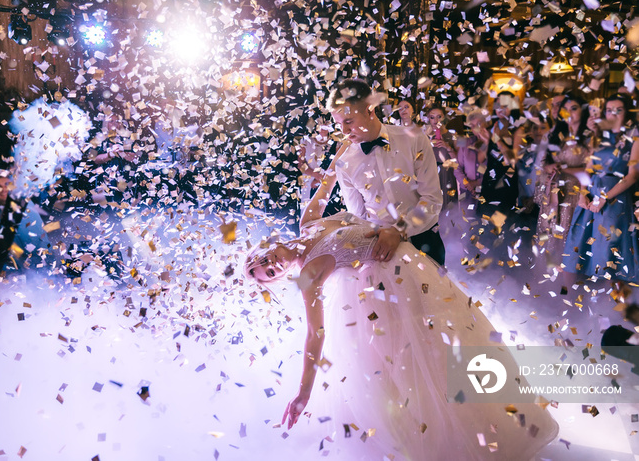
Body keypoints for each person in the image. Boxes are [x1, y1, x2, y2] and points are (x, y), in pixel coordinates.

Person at [244, 204, 559, 460]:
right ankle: (451, 445)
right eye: (269, 271)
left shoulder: (309, 222)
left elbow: (333, 173)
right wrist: (304, 393)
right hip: (387, 295)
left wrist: (343, 141)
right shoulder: (309, 276)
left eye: (262, 259)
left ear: (264, 248)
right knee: (427, 366)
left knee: (460, 343)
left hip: (412, 270)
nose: (270, 263)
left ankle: (501, 426)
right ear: (279, 277)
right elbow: (316, 334)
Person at [324, 78, 445, 265]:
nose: (344, 131)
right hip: (379, 253)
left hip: (425, 242)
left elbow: (432, 199)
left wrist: (399, 230)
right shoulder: (345, 163)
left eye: (348, 121)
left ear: (369, 109)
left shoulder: (414, 139)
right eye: (339, 124)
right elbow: (358, 220)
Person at [563, 93, 639, 284]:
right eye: (609, 110)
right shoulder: (600, 136)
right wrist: (582, 194)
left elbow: (632, 176)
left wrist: (604, 198)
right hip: (591, 194)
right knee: (575, 247)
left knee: (607, 253)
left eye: (618, 110)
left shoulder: (635, 136)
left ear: (626, 113)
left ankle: (606, 307)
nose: (612, 114)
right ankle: (566, 302)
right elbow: (588, 169)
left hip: (615, 199)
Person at [534, 95, 592, 268]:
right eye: (565, 109)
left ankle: (565, 283)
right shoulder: (553, 135)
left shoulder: (588, 137)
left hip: (574, 193)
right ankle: (542, 277)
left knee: (567, 235)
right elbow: (540, 163)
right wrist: (548, 167)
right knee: (547, 232)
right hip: (552, 192)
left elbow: (592, 169)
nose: (568, 113)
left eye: (574, 108)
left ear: (583, 110)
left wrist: (564, 169)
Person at [424, 104, 458, 208]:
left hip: (447, 173)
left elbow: (458, 162)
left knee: (447, 204)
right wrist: (428, 144)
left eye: (439, 116)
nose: (436, 120)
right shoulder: (424, 136)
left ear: (444, 118)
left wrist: (448, 147)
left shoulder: (453, 135)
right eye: (432, 117)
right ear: (428, 119)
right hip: (430, 173)